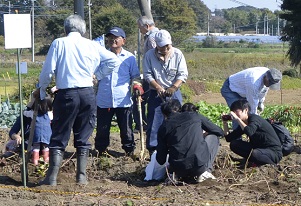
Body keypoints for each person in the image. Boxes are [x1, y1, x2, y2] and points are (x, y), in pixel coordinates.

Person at [34, 14, 120, 186]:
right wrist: (98, 75)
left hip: (67, 94)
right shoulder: (92, 45)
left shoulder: (59, 43)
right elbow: (113, 60)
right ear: (83, 30)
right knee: (83, 136)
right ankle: (81, 177)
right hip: (87, 94)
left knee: (59, 135)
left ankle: (51, 178)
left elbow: (48, 70)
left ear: (66, 29)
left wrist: (41, 89)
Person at [94, 27, 143, 157]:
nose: (112, 40)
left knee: (126, 129)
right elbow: (94, 75)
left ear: (123, 41)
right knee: (102, 128)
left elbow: (135, 76)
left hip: (123, 99)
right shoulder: (102, 56)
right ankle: (101, 151)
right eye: (110, 38)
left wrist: (137, 87)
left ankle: (129, 151)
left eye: (116, 38)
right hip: (104, 99)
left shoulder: (129, 58)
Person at [143, 29, 188, 156]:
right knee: (154, 123)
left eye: (167, 46)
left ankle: (176, 146)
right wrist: (158, 87)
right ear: (156, 45)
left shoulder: (178, 54)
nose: (165, 48)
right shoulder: (149, 56)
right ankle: (153, 150)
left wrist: (173, 87)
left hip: (174, 93)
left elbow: (182, 74)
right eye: (162, 46)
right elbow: (147, 74)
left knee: (177, 120)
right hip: (156, 93)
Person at [156, 100, 224, 183]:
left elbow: (160, 160)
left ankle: (174, 176)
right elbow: (219, 131)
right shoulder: (194, 116)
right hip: (198, 166)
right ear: (179, 109)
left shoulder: (163, 127)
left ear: (164, 114)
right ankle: (205, 172)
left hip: (178, 169)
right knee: (213, 136)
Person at [223, 99, 283, 166]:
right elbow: (228, 138)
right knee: (234, 144)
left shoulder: (255, 119)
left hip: (273, 152)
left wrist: (237, 119)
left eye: (236, 111)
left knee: (255, 153)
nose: (234, 114)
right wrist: (225, 123)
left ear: (246, 110)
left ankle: (272, 165)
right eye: (233, 112)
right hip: (258, 149)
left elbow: (249, 131)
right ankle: (254, 161)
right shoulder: (243, 124)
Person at [5, 95, 53, 166]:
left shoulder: (48, 116)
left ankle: (40, 160)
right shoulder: (26, 115)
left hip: (46, 144)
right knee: (11, 147)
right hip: (28, 144)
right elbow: (12, 132)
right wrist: (16, 136)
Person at [132, 16, 160, 133]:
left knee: (139, 98)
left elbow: (156, 55)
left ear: (147, 26)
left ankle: (142, 124)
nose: (140, 30)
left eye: (140, 27)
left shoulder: (152, 37)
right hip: (152, 75)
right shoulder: (155, 35)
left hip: (152, 76)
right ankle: (144, 124)